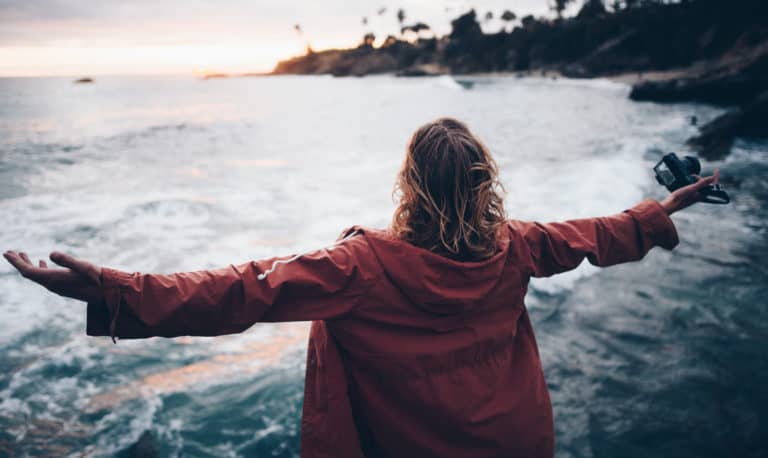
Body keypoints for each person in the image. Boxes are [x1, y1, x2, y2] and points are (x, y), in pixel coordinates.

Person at [3, 118, 719, 458]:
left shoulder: (359, 268)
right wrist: (668, 207)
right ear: (483, 183)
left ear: (409, 184)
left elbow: (236, 292)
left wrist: (113, 289)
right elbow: (597, 234)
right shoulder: (516, 246)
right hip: (515, 441)